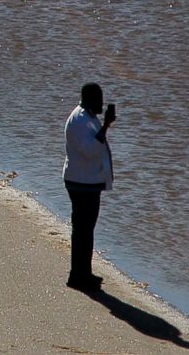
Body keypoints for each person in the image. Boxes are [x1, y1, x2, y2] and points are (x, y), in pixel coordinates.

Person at [63, 82, 116, 291]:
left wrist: (104, 124)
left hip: (86, 182)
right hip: (81, 183)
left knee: (85, 230)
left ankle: (84, 273)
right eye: (98, 98)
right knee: (83, 230)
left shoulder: (88, 116)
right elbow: (90, 150)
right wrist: (106, 126)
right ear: (88, 99)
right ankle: (77, 276)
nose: (102, 102)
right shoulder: (80, 120)